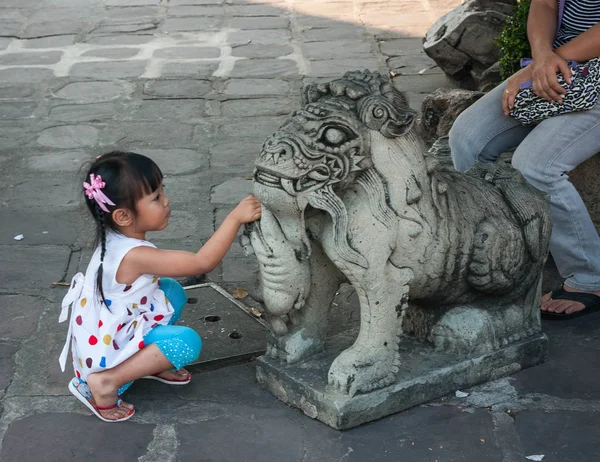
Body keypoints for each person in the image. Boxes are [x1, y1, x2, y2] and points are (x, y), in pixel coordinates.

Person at [59, 151, 262, 422]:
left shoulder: (114, 237)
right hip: (106, 352)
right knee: (187, 343)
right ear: (123, 216)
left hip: (111, 330)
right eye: (155, 197)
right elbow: (202, 262)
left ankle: (146, 364)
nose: (166, 201)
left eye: (162, 191)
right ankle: (106, 383)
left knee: (170, 291)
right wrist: (234, 218)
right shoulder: (135, 256)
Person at [449, 0, 600, 319]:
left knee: (537, 166)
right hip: (558, 67)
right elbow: (544, 3)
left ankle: (589, 277)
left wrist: (543, 64)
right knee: (468, 137)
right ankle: (502, 247)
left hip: (579, 72)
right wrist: (543, 57)